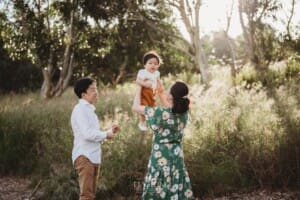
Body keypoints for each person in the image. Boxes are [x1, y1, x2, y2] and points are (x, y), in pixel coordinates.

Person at [132, 81, 194, 199]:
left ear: (172, 96)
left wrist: (139, 87)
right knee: (174, 183)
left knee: (159, 184)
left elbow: (135, 107)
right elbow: (171, 108)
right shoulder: (184, 113)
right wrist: (161, 93)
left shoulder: (161, 113)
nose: (166, 91)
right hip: (176, 155)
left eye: (168, 90)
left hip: (161, 155)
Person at [71, 77, 120, 200]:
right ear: (83, 94)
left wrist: (109, 132)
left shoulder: (90, 110)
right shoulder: (80, 110)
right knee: (86, 195)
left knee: (90, 195)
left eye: (96, 88)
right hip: (84, 156)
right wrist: (105, 135)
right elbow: (87, 134)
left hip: (93, 156)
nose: (96, 92)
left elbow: (94, 133)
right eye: (92, 89)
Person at [136, 50, 162, 131]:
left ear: (158, 66)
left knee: (153, 109)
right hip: (144, 92)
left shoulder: (157, 73)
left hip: (152, 94)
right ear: (145, 65)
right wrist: (144, 84)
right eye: (150, 63)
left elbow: (158, 81)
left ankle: (153, 123)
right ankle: (141, 122)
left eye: (155, 64)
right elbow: (137, 81)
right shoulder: (143, 72)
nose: (153, 65)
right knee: (144, 108)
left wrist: (160, 85)